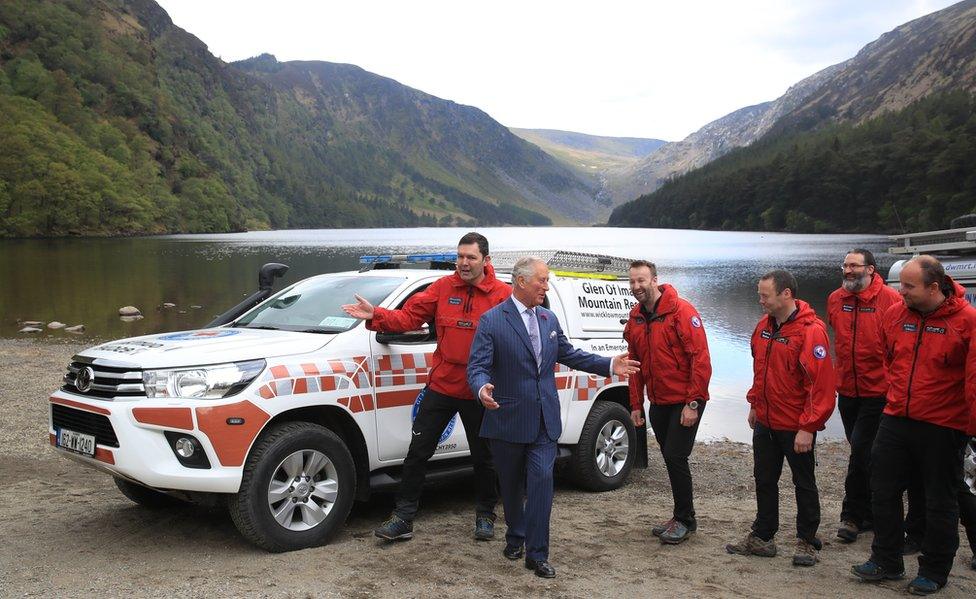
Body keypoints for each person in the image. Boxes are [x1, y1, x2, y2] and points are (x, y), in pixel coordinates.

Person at [467, 256, 639, 578]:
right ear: (520, 282)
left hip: (545, 421)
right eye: (542, 281)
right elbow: (477, 367)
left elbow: (569, 353)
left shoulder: (548, 319)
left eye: (547, 281)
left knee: (543, 483)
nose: (546, 286)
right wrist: (481, 390)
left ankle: (537, 554)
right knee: (511, 486)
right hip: (506, 421)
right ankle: (516, 534)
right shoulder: (492, 321)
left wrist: (608, 365)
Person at [342, 232, 511, 542]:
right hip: (443, 383)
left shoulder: (502, 295)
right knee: (417, 453)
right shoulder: (443, 288)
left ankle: (485, 514)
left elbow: (515, 340)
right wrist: (376, 315)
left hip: (480, 388)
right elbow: (409, 317)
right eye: (460, 256)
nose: (463, 262)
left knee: (484, 457)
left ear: (486, 261)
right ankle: (403, 517)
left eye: (470, 257)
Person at [852, 256, 976, 595]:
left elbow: (973, 378)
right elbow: (889, 358)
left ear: (934, 287)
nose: (900, 292)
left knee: (940, 500)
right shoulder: (896, 315)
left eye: (908, 286)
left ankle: (934, 570)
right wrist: (897, 397)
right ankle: (887, 559)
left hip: (943, 423)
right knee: (883, 487)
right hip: (897, 417)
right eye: (900, 284)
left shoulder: (967, 320)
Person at [726, 269, 836, 567]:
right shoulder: (764, 326)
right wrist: (753, 404)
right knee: (764, 478)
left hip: (795, 424)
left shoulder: (811, 331)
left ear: (785, 294)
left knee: (804, 482)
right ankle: (763, 537)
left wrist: (809, 427)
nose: (760, 300)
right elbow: (759, 370)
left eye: (765, 295)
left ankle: (807, 540)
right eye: (759, 294)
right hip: (766, 419)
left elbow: (821, 385)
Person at [623, 260, 711, 544]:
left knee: (675, 456)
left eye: (642, 281)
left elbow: (700, 359)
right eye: (633, 281)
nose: (637, 286)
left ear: (655, 280)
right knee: (671, 458)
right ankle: (681, 515)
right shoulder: (636, 317)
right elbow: (634, 366)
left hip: (685, 401)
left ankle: (685, 519)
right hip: (658, 401)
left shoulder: (681, 312)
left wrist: (694, 403)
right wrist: (636, 405)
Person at [826, 249, 902, 543]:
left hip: (878, 391)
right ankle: (872, 513)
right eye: (845, 265)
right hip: (846, 390)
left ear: (870, 269)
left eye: (854, 266)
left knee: (860, 451)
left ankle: (852, 517)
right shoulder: (835, 299)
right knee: (865, 453)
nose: (848, 270)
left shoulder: (891, 300)